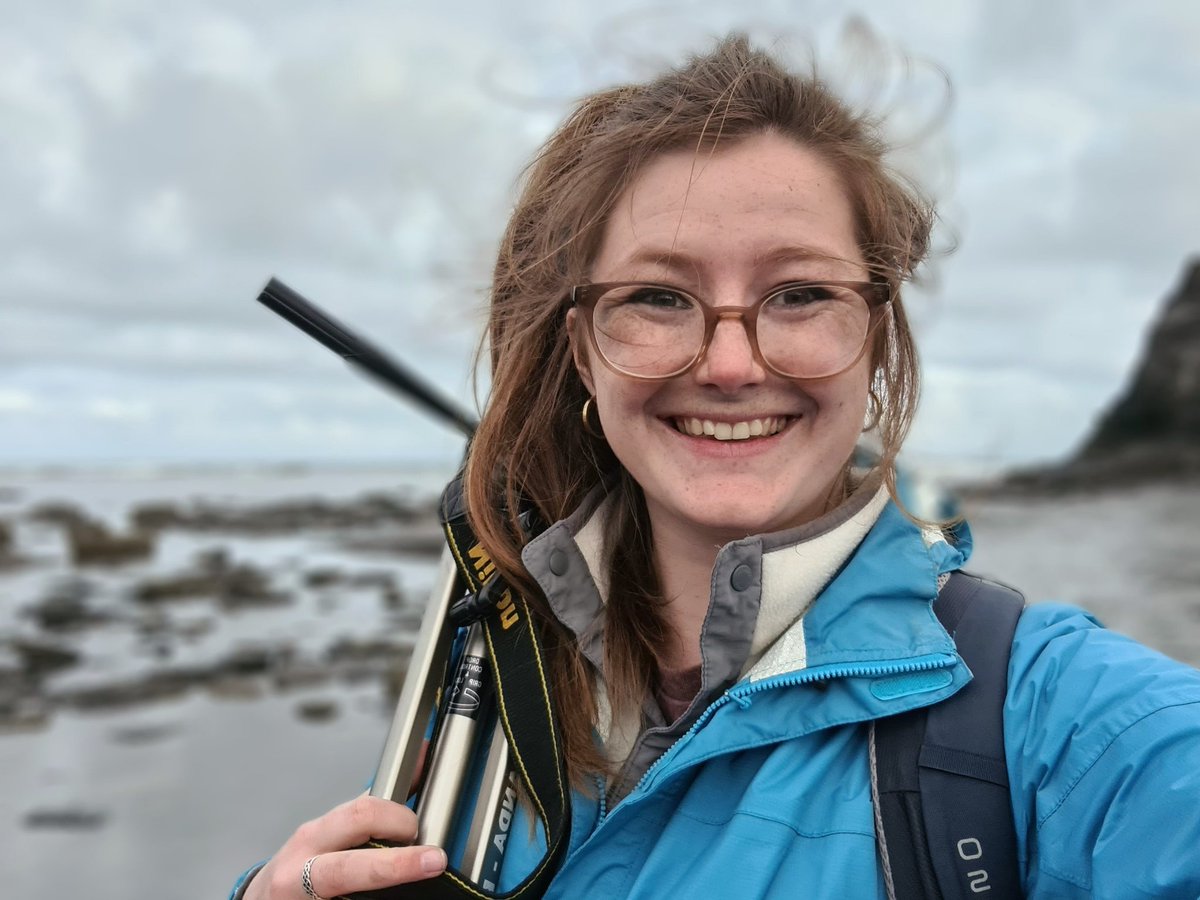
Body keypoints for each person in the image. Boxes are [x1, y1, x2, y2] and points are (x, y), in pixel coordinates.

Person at [233, 35, 1200, 900]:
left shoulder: (1054, 721)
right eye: (658, 296)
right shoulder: (488, 691)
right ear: (583, 349)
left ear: (873, 337)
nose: (730, 365)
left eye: (798, 293)